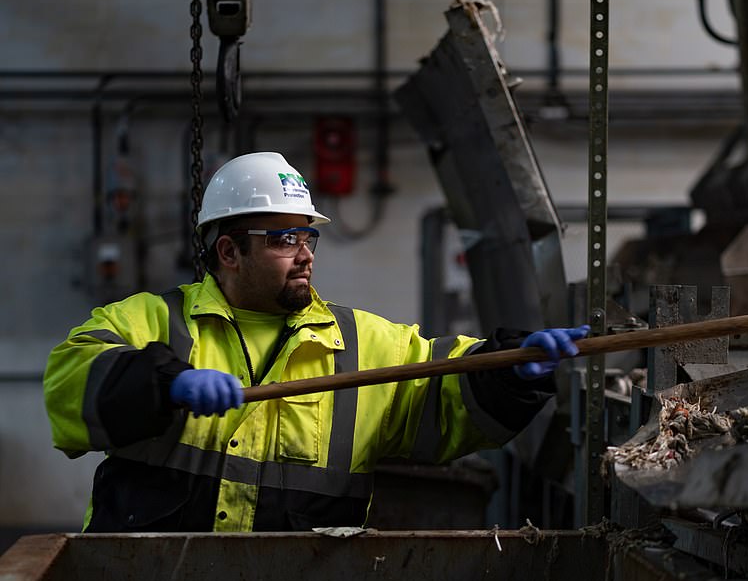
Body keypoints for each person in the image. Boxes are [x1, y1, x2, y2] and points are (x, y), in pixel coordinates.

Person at [43, 151, 589, 532]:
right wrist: (165, 382)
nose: (306, 253)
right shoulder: (152, 322)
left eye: (309, 236)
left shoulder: (361, 344)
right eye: (284, 238)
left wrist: (513, 371)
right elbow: (70, 381)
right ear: (229, 252)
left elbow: (444, 388)